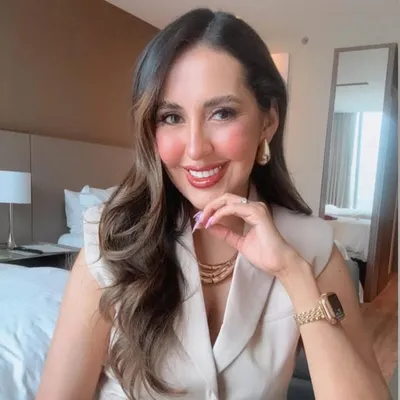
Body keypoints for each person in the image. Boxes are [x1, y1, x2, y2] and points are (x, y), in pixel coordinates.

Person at [37, 8, 389, 400]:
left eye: (222, 113)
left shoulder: (312, 248)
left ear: (268, 121)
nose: (195, 149)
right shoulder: (111, 242)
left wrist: (294, 274)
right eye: (171, 117)